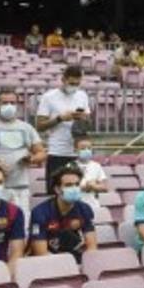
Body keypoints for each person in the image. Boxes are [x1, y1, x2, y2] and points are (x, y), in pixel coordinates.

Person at [36, 66, 91, 195]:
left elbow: (88, 123)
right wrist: (60, 118)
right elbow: (39, 125)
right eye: (71, 83)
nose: (74, 86)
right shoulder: (49, 97)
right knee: (55, 194)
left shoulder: (82, 95)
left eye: (77, 84)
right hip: (57, 153)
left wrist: (83, 119)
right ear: (63, 80)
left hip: (77, 153)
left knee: (77, 194)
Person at [29, 165, 98, 262]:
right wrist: (65, 265)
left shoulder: (85, 209)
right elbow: (41, 253)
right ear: (57, 189)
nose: (74, 188)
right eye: (68, 185)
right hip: (47, 262)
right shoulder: (40, 212)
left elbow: (92, 247)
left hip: (75, 258)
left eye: (77, 184)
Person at [74, 138, 110, 211]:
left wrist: (94, 186)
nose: (86, 150)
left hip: (93, 205)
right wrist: (84, 187)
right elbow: (66, 188)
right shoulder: (70, 166)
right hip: (75, 204)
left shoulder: (96, 166)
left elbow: (105, 187)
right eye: (83, 148)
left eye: (89, 148)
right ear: (75, 150)